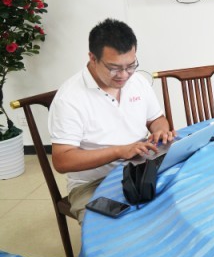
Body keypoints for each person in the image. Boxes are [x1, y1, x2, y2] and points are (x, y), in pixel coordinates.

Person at [49, 19, 175, 223]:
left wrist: (160, 130)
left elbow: (157, 119)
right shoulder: (69, 98)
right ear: (93, 58)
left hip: (140, 169)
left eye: (131, 66)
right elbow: (62, 161)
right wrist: (119, 151)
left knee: (181, 200)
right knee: (112, 230)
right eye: (114, 68)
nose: (124, 75)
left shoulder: (137, 81)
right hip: (92, 184)